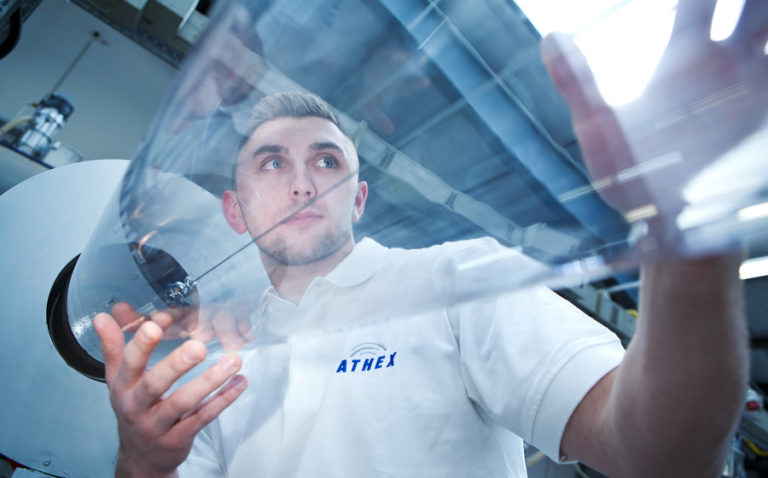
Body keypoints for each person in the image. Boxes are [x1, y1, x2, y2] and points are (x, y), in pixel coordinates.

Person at [94, 1, 764, 475]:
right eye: (272, 164)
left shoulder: (459, 281)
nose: (301, 184)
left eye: (326, 160)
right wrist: (142, 461)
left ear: (358, 200)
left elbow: (656, 454)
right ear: (235, 212)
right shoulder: (218, 357)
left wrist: (687, 232)